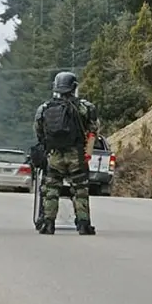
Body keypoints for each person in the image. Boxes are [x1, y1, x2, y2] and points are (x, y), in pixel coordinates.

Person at [33, 71, 99, 235]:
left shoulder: (44, 108)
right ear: (74, 87)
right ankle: (83, 224)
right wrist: (87, 153)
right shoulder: (86, 107)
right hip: (76, 154)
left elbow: (39, 131)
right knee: (80, 190)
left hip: (55, 154)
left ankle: (48, 224)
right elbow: (93, 131)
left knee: (51, 190)